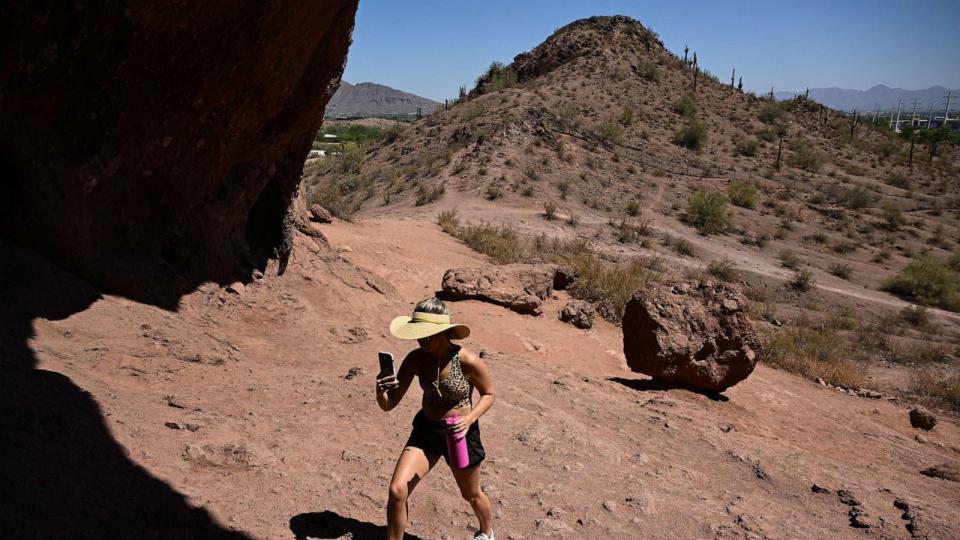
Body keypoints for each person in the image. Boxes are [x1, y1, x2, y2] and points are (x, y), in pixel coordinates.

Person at [376, 298, 496, 540]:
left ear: (442, 332)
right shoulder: (416, 359)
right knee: (397, 490)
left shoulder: (467, 361)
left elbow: (489, 394)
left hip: (459, 433)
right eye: (418, 334)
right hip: (426, 432)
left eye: (427, 335)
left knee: (471, 494)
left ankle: (486, 532)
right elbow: (390, 404)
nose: (421, 340)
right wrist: (380, 391)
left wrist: (470, 418)